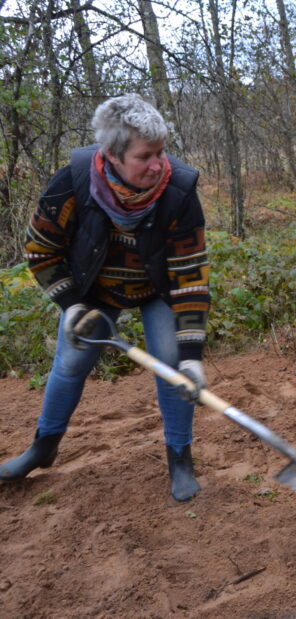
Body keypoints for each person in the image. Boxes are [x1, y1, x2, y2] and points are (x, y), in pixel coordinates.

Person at [0, 95, 210, 501]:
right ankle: (43, 447)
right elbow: (40, 250)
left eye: (161, 152)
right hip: (93, 290)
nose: (158, 165)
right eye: (145, 156)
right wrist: (72, 304)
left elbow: (190, 277)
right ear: (112, 156)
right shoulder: (73, 183)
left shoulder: (179, 192)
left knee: (172, 366)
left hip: (158, 289)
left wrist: (192, 357)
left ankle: (180, 457)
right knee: (72, 359)